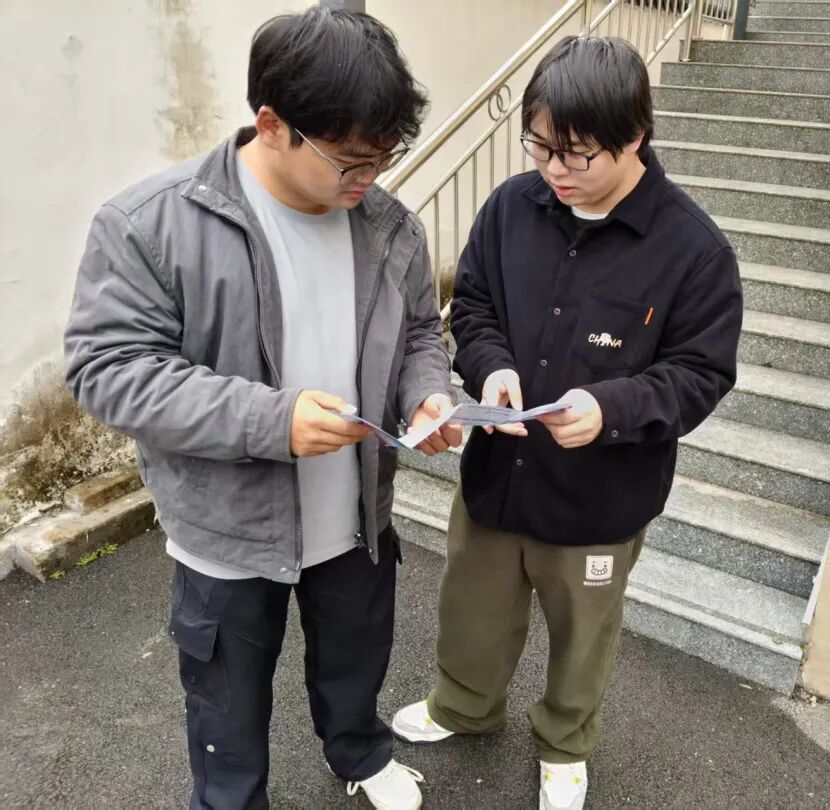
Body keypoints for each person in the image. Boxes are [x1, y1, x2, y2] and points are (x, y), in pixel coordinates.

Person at [64, 8, 459, 809]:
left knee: (355, 659)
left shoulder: (388, 227)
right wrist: (269, 421)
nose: (370, 178)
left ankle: (359, 753)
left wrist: (428, 390)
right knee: (227, 703)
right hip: (227, 531)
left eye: (384, 156)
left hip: (354, 516)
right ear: (273, 124)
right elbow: (108, 370)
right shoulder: (151, 224)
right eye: (350, 160)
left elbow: (421, 329)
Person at [391, 35, 742, 810]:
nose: (554, 169)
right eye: (541, 146)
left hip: (601, 497)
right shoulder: (511, 208)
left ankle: (565, 741)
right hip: (499, 473)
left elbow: (701, 373)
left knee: (585, 634)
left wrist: (613, 407)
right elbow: (473, 306)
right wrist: (490, 366)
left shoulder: (693, 250)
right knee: (472, 608)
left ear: (634, 136)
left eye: (576, 153)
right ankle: (464, 704)